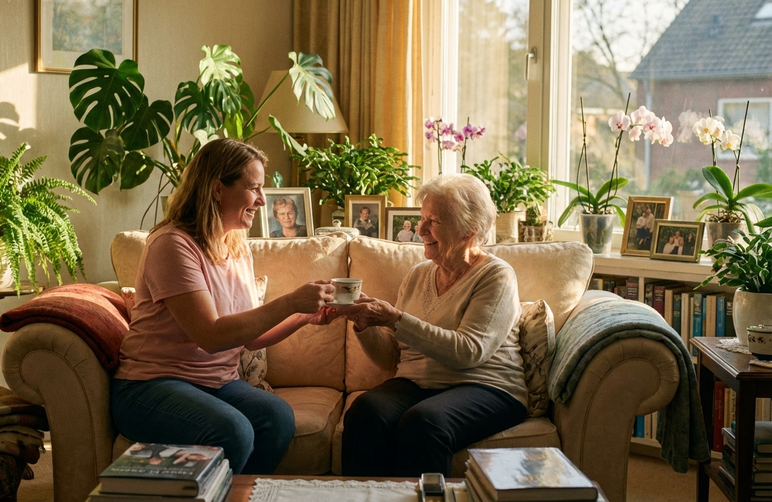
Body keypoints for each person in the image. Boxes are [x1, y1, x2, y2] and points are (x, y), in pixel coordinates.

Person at [110, 138, 338, 475]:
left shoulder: (236, 246)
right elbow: (211, 335)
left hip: (217, 383)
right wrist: (289, 301)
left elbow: (249, 338)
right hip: (151, 386)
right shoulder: (172, 245)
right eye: (254, 189)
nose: (262, 200)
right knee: (234, 429)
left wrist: (303, 315)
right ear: (218, 189)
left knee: (277, 417)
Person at [335, 173, 528, 477]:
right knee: (365, 412)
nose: (420, 229)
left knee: (424, 422)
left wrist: (395, 318)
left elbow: (469, 351)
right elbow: (391, 359)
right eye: (422, 218)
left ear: (469, 231)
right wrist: (365, 324)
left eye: (433, 221)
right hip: (417, 384)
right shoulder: (418, 274)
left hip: (487, 387)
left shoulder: (496, 276)